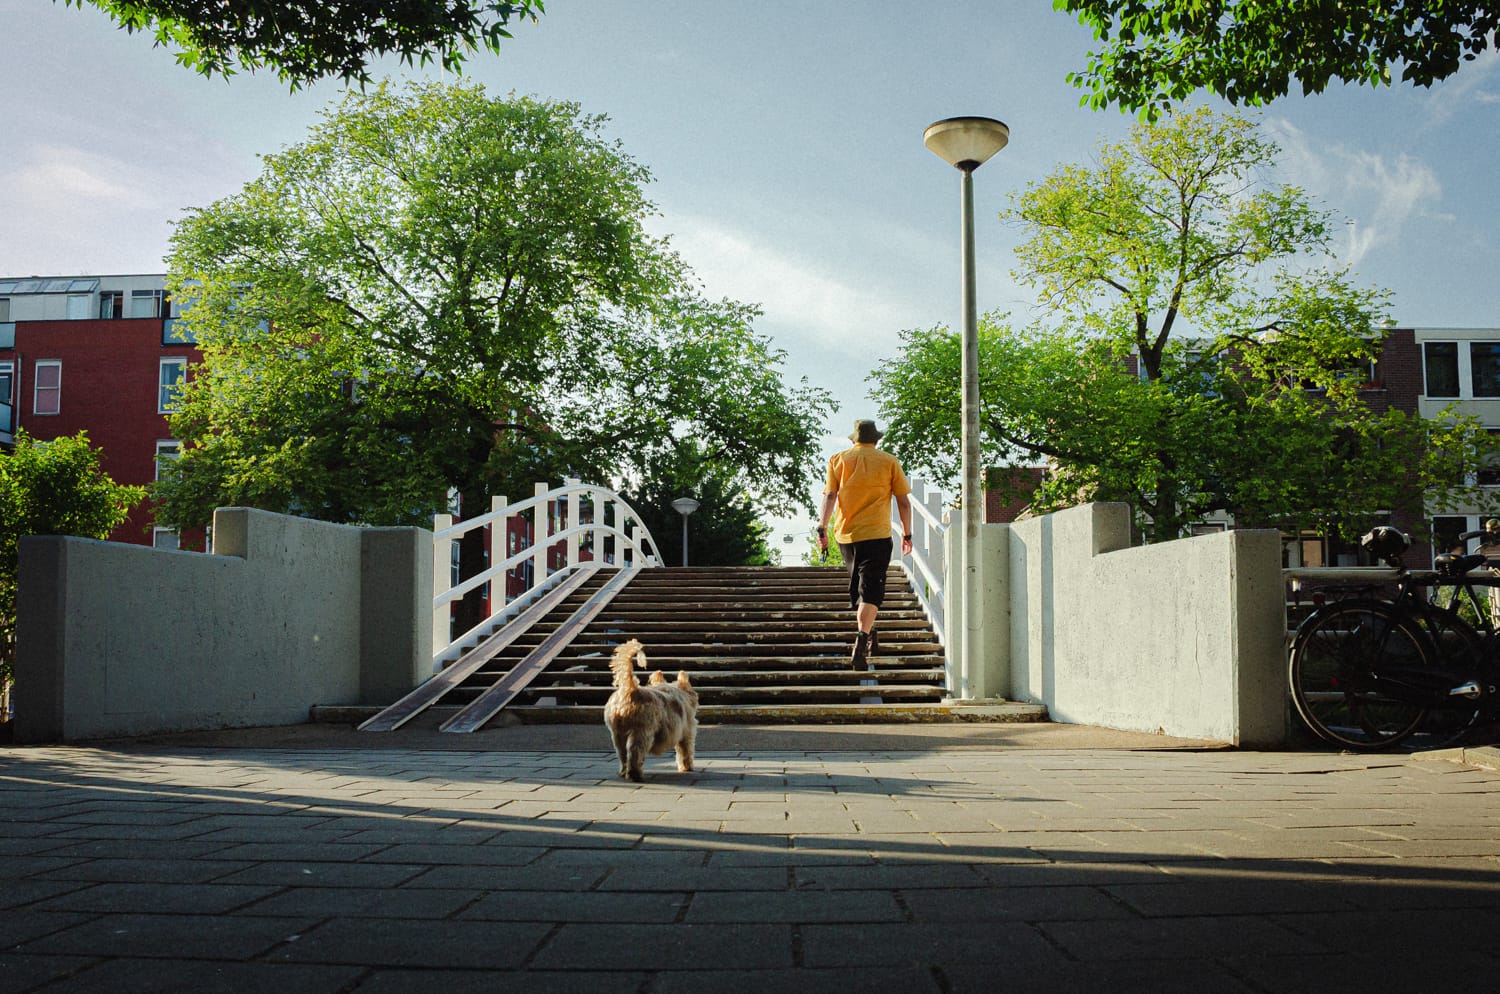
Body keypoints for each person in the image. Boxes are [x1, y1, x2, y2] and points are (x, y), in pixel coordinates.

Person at [817, 419, 913, 669]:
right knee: (870, 589)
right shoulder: (889, 461)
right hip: (877, 535)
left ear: (853, 440)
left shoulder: (838, 459)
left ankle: (870, 631)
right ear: (877, 440)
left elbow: (829, 495)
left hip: (846, 536)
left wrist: (822, 528)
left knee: (862, 589)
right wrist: (907, 533)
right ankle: (862, 640)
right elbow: (903, 502)